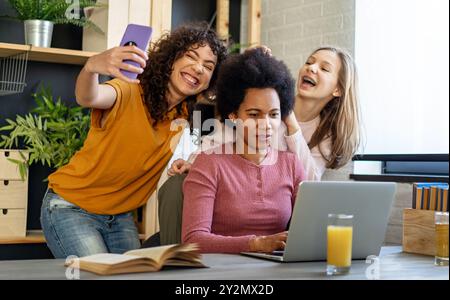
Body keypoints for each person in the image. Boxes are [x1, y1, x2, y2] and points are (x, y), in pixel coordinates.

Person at [40, 23, 228, 259]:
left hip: (120, 218)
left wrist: (254, 67)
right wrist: (91, 67)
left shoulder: (184, 114)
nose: (199, 68)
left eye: (208, 66)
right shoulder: (130, 89)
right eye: (191, 56)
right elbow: (89, 96)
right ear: (170, 58)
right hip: (71, 208)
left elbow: (238, 114)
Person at [157, 46, 361, 245]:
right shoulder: (255, 101)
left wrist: (287, 116)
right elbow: (219, 141)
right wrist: (196, 162)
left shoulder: (325, 134)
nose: (311, 68)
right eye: (309, 62)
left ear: (338, 89)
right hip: (233, 201)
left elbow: (307, 186)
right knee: (178, 184)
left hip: (278, 208)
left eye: (324, 68)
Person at [181, 48, 306, 253]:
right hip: (222, 272)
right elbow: (193, 240)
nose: (265, 124)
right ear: (233, 115)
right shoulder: (209, 163)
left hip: (276, 270)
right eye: (254, 114)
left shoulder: (291, 164)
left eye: (273, 115)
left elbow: (311, 228)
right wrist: (255, 244)